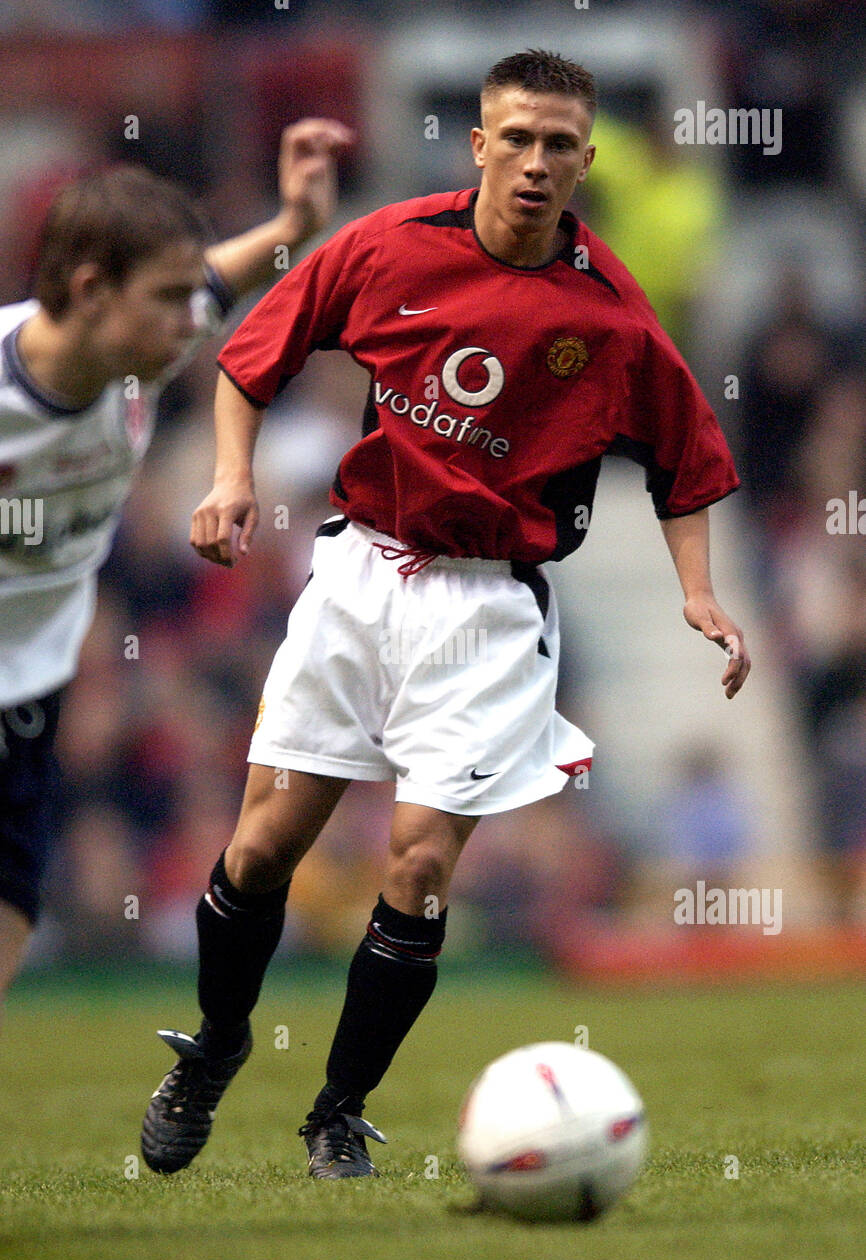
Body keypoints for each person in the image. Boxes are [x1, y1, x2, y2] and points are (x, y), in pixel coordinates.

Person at [140, 50, 751, 1181]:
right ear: (477, 145)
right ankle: (216, 1046)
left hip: (488, 609)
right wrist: (230, 478)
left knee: (417, 866)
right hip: (359, 576)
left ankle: (336, 1109)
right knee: (262, 848)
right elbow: (249, 358)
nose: (533, 162)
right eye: (513, 138)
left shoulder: (608, 312)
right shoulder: (385, 245)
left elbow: (686, 457)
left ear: (584, 160)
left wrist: (697, 591)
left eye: (557, 143)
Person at [0, 118, 354, 1023]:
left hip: (26, 687)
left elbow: (211, 278)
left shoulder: (138, 343)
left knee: (10, 898)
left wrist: (291, 226)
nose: (190, 321)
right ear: (88, 290)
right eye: (165, 301)